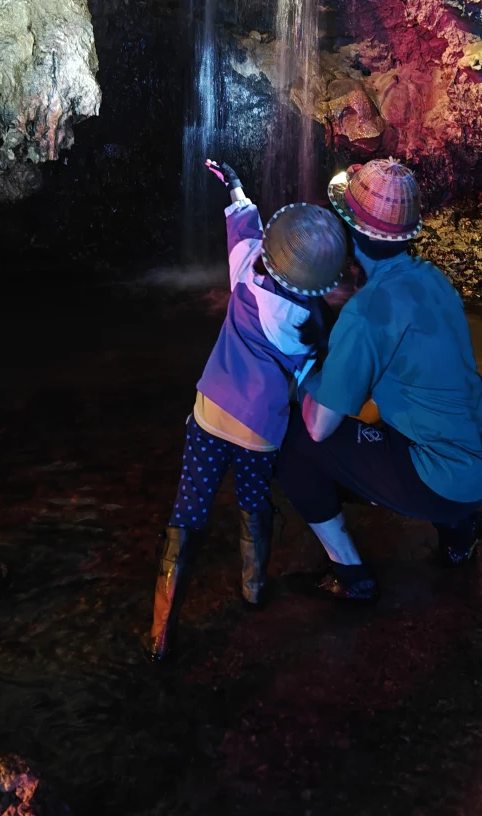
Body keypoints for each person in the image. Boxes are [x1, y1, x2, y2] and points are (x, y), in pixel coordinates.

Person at [148, 158, 348, 660]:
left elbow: (244, 229)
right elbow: (308, 385)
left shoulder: (246, 278)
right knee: (254, 503)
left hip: (211, 413)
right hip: (261, 432)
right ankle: (254, 591)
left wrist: (237, 188)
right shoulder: (309, 327)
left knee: (187, 514)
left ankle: (160, 632)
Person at [277, 158, 482, 602]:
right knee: (403, 421)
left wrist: (301, 373)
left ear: (351, 234)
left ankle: (350, 574)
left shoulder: (366, 312)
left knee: (296, 441)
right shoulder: (434, 281)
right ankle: (459, 533)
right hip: (481, 466)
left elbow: (321, 425)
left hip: (440, 481)